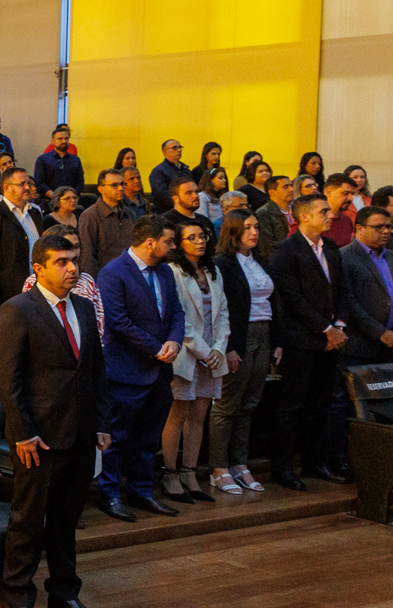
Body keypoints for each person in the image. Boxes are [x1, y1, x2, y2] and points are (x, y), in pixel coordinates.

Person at [0, 234, 111, 608]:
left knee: (65, 521)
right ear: (38, 268)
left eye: (74, 260)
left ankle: (64, 593)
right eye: (61, 261)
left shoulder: (82, 305)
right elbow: (8, 382)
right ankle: (19, 598)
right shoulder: (18, 310)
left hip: (79, 433)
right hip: (37, 438)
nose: (72, 268)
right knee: (28, 520)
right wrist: (22, 433)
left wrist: (102, 424)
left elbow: (95, 371)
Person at [96, 215, 185, 520]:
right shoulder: (113, 272)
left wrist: (174, 341)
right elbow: (117, 322)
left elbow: (176, 311)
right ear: (150, 242)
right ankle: (109, 495)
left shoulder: (165, 272)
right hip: (126, 370)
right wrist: (157, 348)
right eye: (168, 241)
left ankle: (141, 490)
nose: (173, 246)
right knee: (117, 437)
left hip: (160, 370)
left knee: (148, 437)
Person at [268, 194, 350, 490]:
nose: (331, 215)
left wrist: (338, 325)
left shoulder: (330, 247)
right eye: (324, 211)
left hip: (331, 339)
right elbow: (292, 298)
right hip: (301, 340)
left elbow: (342, 289)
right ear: (303, 217)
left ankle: (316, 463)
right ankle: (283, 468)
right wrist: (326, 329)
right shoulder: (285, 250)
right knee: (292, 406)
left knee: (321, 404)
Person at [157, 221, 228, 505]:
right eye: (191, 237)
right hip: (187, 350)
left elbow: (223, 311)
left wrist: (219, 348)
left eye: (202, 236)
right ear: (179, 242)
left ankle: (189, 473)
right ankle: (169, 474)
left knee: (200, 414)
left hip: (213, 351)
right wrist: (202, 350)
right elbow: (176, 317)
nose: (199, 241)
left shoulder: (213, 270)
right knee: (178, 414)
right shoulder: (171, 271)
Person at [207, 211, 274, 495]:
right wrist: (230, 347)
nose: (253, 232)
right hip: (238, 335)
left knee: (250, 403)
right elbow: (222, 309)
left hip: (264, 333)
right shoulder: (223, 263)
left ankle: (240, 464)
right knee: (227, 405)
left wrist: (277, 341)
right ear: (233, 231)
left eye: (256, 226)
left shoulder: (260, 260)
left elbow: (273, 302)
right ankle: (219, 468)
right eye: (246, 227)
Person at [341, 205, 393, 365]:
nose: (386, 231)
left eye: (389, 227)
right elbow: (348, 302)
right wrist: (380, 333)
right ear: (359, 229)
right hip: (359, 349)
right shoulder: (344, 257)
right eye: (378, 227)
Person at [0, 167, 46, 309]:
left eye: (29, 183)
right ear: (7, 187)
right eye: (22, 184)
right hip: (8, 291)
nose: (27, 187)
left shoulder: (35, 213)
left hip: (38, 288)